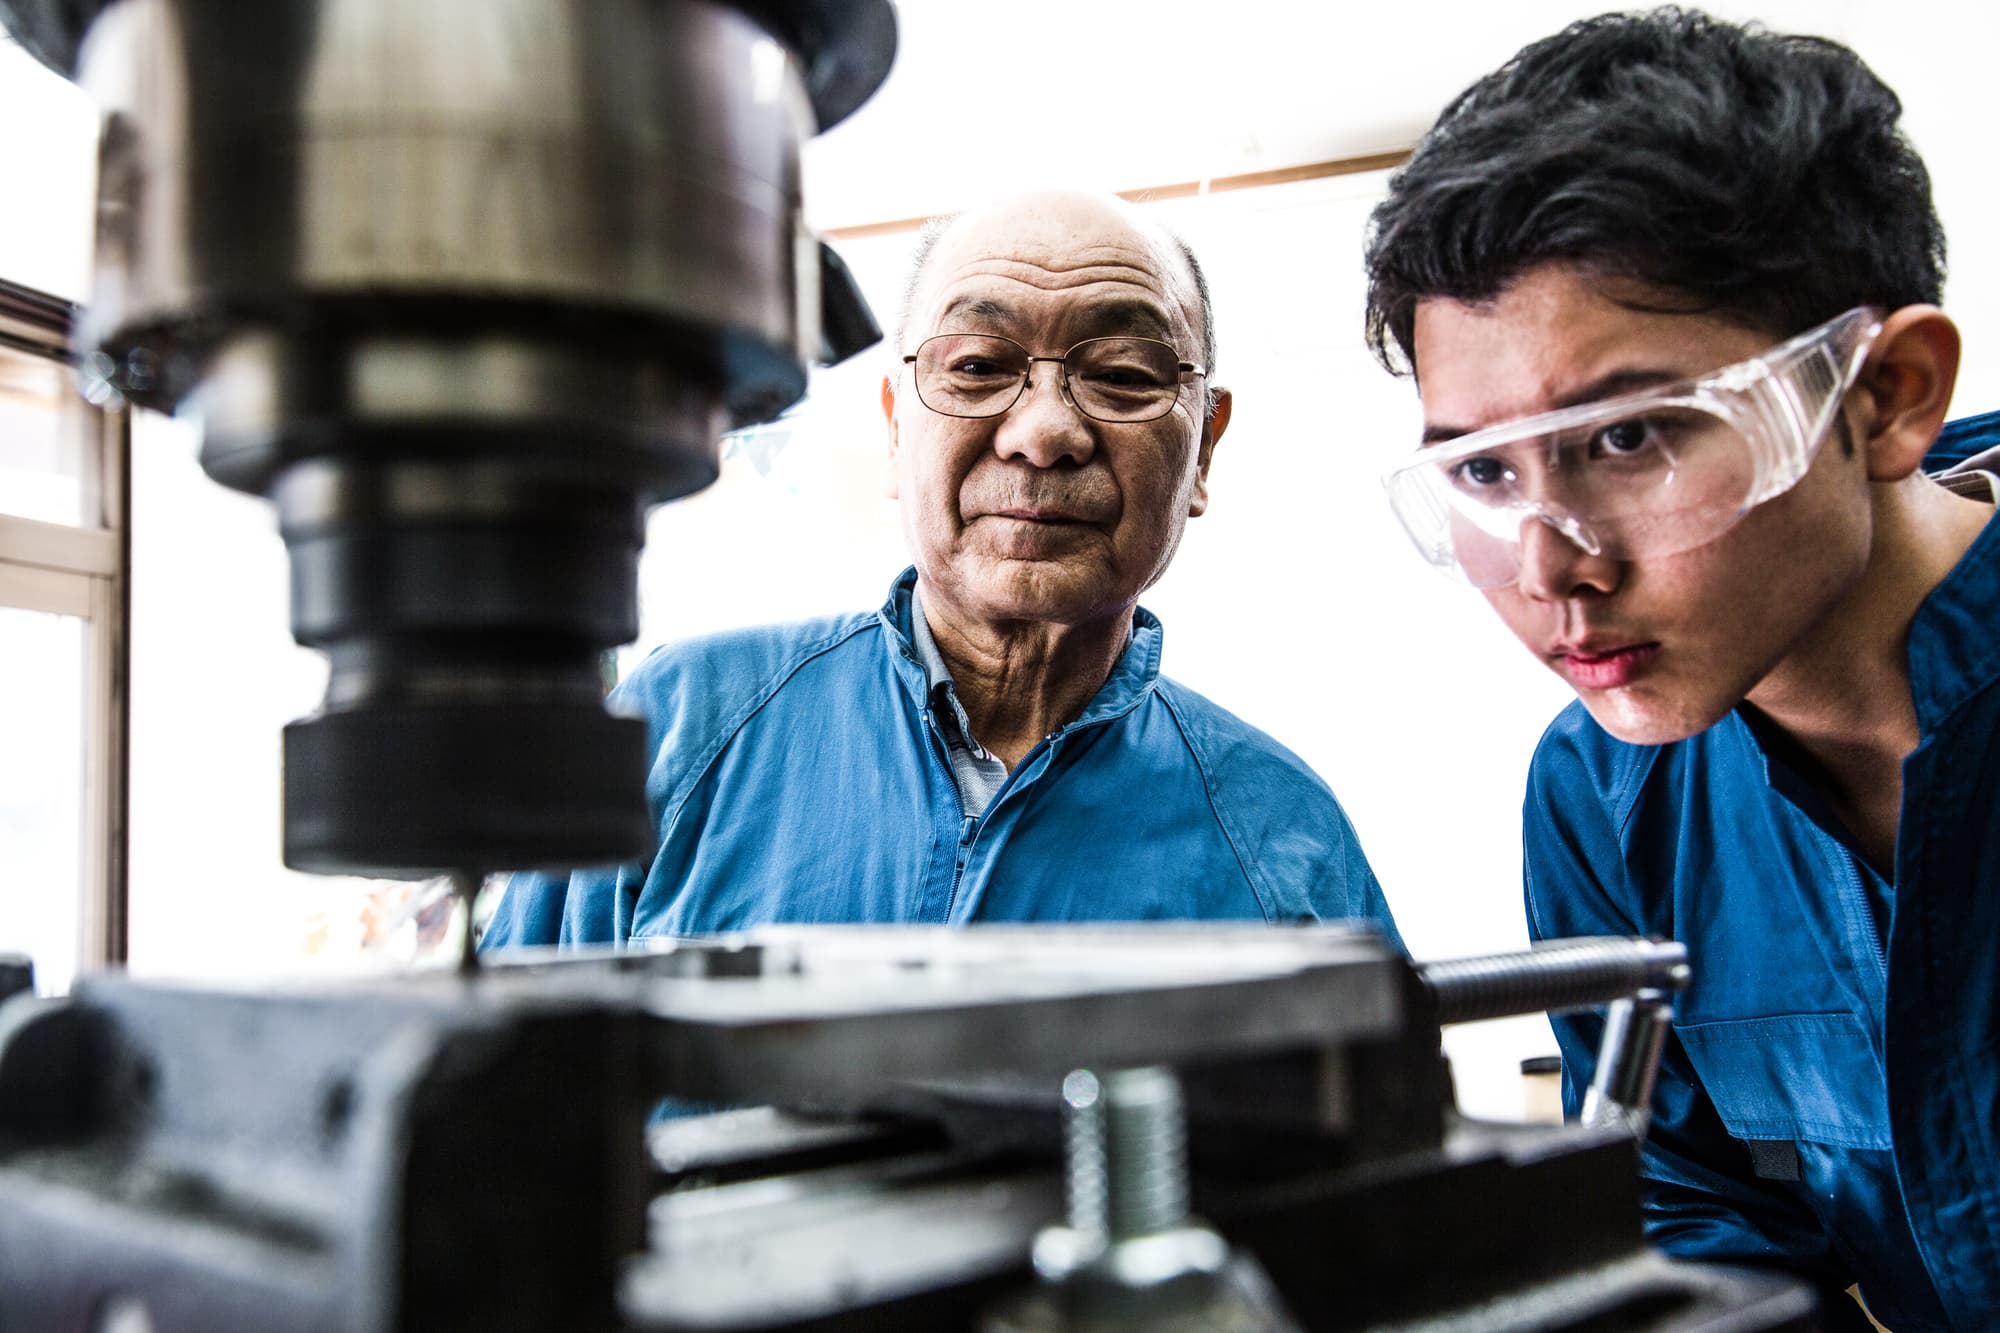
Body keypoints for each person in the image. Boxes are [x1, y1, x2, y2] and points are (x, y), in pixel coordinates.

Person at [1363, 9, 1998, 1328]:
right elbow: (1705, 1208)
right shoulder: (1604, 796)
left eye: (1636, 436)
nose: (1551, 569)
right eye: (1482, 470)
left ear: (1884, 396)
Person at [484, 189, 1399, 946]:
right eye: (977, 366)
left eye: (1123, 373)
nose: (1044, 432)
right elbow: (488, 1120)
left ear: (1203, 449)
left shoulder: (1289, 838)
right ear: (893, 427)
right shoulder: (677, 731)